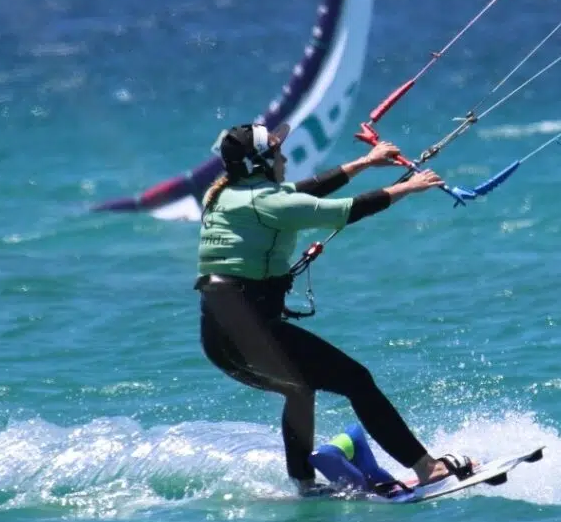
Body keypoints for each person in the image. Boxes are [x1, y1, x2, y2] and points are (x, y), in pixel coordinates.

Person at [194, 121, 474, 495]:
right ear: (261, 163)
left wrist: (365, 162)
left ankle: (304, 486)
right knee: (356, 380)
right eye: (277, 151)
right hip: (250, 331)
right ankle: (427, 467)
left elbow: (303, 190)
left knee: (299, 389)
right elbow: (344, 210)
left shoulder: (227, 195)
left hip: (217, 337)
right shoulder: (268, 202)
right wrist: (408, 187)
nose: (285, 156)